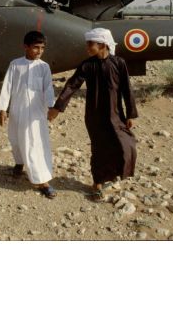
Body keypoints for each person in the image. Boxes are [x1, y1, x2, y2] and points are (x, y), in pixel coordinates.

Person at [48, 27, 138, 201]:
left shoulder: (119, 63)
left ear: (103, 44)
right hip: (94, 115)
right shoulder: (87, 65)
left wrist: (130, 114)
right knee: (98, 149)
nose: (87, 47)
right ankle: (97, 183)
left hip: (115, 114)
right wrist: (57, 107)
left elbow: (127, 89)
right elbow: (72, 85)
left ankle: (113, 174)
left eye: (91, 44)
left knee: (126, 144)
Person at [0, 30, 57, 199]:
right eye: (36, 47)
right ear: (25, 47)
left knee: (35, 144)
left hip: (36, 113)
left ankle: (42, 181)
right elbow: (7, 87)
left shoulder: (43, 67)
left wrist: (52, 108)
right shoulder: (15, 64)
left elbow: (48, 89)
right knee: (15, 139)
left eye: (42, 48)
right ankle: (19, 163)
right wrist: (3, 108)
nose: (39, 51)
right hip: (17, 110)